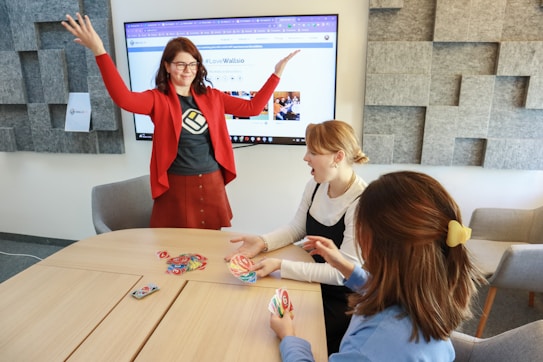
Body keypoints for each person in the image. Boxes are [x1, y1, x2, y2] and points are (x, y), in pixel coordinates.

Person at [61, 13, 298, 230]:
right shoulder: (157, 99)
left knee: (211, 247)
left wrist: (276, 74)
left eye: (193, 64)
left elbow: (252, 108)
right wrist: (99, 51)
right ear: (167, 66)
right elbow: (123, 98)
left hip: (212, 180)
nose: (188, 70)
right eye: (181, 64)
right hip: (176, 185)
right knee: (176, 249)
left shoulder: (212, 97)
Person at [270, 171, 485, 361]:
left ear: (373, 242)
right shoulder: (429, 297)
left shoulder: (371, 345)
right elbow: (386, 290)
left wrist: (289, 337)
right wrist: (343, 265)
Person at [226, 120, 370, 354]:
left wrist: (281, 266)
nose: (305, 158)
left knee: (279, 339)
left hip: (339, 300)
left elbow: (342, 272)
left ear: (338, 156)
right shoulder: (315, 185)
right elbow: (296, 228)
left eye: (313, 152)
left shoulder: (362, 202)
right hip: (309, 282)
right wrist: (262, 242)